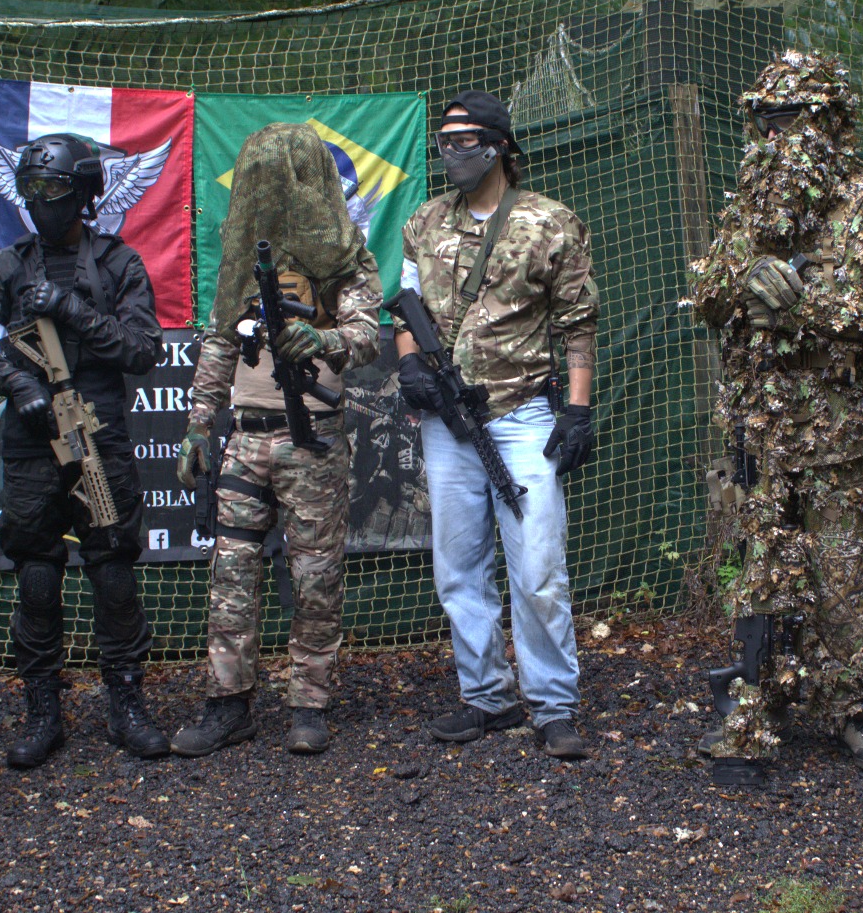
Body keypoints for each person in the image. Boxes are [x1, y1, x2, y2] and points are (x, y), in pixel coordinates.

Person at [690, 52, 863, 776]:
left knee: (844, 578)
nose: (776, 139)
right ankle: (761, 700)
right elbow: (707, 296)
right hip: (762, 435)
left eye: (790, 122)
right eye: (764, 124)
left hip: (843, 433)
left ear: (829, 123)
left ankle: (852, 707)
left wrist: (811, 306)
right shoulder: (749, 208)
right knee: (763, 573)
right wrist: (744, 281)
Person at [395, 90, 597, 759]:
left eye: (465, 141)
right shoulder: (424, 222)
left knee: (538, 566)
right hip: (447, 421)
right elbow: (406, 307)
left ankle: (553, 704)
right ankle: (486, 695)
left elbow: (578, 326)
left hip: (522, 414)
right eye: (444, 142)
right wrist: (410, 365)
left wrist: (577, 411)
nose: (452, 153)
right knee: (458, 568)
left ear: (499, 147)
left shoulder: (551, 223)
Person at [171, 123, 381, 757]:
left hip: (311, 438)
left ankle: (308, 704)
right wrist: (199, 424)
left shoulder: (345, 258)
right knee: (231, 574)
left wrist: (323, 339)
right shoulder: (243, 259)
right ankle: (228, 702)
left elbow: (366, 335)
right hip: (245, 437)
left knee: (315, 578)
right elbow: (219, 339)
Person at [0, 133, 168, 769]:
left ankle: (126, 704)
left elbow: (143, 351)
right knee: (36, 572)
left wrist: (72, 310)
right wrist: (18, 384)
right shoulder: (5, 267)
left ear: (83, 193)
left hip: (96, 437)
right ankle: (42, 711)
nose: (40, 201)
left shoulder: (117, 264)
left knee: (112, 569)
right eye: (29, 189)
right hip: (31, 443)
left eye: (53, 188)